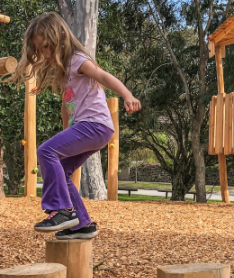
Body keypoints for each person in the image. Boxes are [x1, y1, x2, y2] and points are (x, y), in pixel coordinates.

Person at [8, 13, 141, 240]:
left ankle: (61, 210)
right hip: (91, 128)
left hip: (95, 125)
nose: (46, 54)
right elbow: (66, 106)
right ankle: (82, 224)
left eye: (47, 47)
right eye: (41, 50)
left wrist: (127, 94)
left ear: (60, 37)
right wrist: (65, 132)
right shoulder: (65, 70)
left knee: (45, 151)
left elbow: (103, 75)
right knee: (63, 169)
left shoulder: (78, 59)